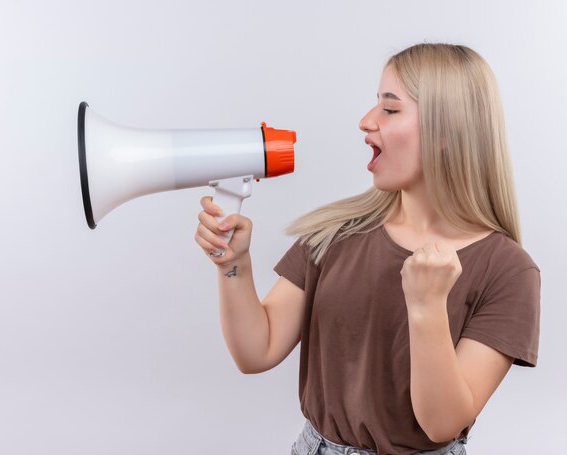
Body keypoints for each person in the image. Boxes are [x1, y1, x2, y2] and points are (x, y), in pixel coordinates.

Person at [194, 43, 540, 455]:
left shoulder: (507, 271)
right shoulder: (334, 234)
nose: (365, 121)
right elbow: (257, 350)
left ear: (448, 132)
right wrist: (232, 265)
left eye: (390, 110)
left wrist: (427, 308)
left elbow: (442, 423)